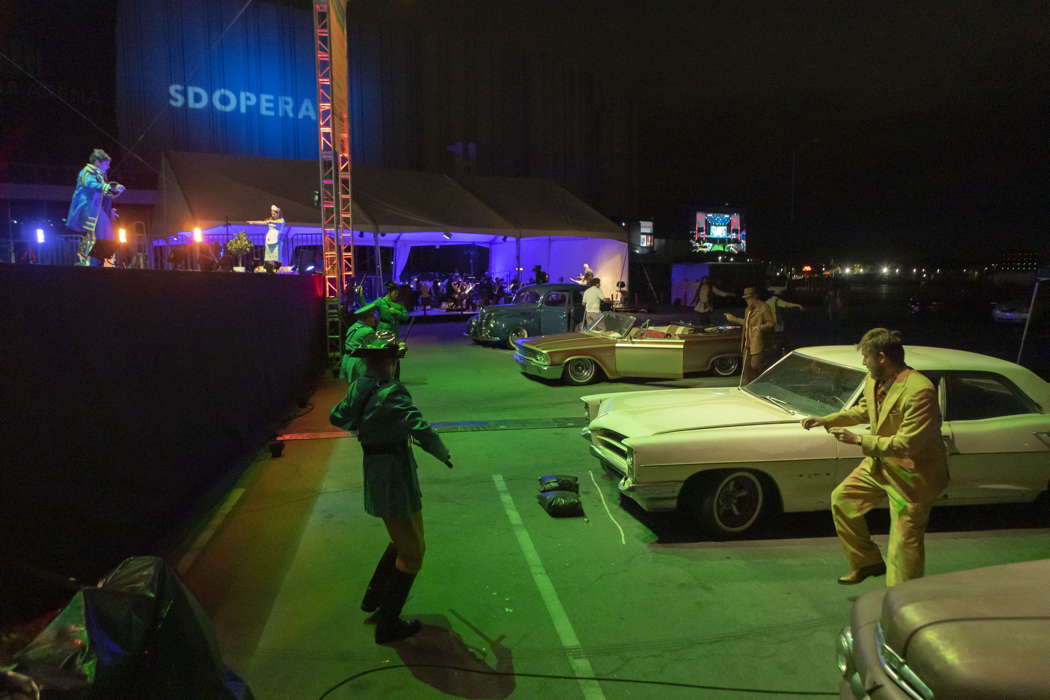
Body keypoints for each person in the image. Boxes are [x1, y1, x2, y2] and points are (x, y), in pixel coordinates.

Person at [329, 338, 453, 644]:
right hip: (393, 473)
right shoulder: (392, 391)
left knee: (409, 540)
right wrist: (441, 451)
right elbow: (418, 426)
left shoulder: (359, 386)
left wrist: (368, 427)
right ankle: (388, 624)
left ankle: (375, 599)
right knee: (412, 554)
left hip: (378, 467)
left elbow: (337, 417)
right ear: (391, 362)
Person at [801, 328, 947, 587]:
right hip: (879, 464)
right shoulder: (874, 380)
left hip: (912, 476)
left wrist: (858, 439)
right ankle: (867, 562)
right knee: (843, 501)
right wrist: (827, 420)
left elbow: (907, 443)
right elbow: (865, 410)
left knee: (903, 543)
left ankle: (902, 602)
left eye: (866, 357)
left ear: (882, 357)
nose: (863, 362)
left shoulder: (919, 391)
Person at [66, 148, 125, 266]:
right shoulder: (86, 172)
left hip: (96, 210)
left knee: (107, 234)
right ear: (98, 162)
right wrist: (108, 187)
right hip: (87, 208)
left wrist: (116, 190)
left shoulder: (100, 176)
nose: (108, 167)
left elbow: (106, 193)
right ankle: (87, 261)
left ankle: (104, 261)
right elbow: (91, 184)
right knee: (93, 235)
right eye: (106, 164)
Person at [724, 287, 776, 384]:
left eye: (749, 298)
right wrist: (733, 319)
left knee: (755, 366)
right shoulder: (748, 309)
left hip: (757, 341)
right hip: (748, 342)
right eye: (746, 299)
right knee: (746, 369)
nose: (747, 301)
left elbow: (771, 323)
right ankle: (750, 386)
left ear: (755, 297)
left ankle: (761, 385)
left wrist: (759, 327)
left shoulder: (764, 307)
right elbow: (747, 323)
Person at [339, 304, 379, 384]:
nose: (375, 319)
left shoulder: (353, 326)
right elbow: (377, 348)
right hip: (357, 362)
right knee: (362, 388)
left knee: (352, 387)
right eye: (372, 317)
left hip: (346, 359)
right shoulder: (368, 330)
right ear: (366, 319)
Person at [247, 204, 284, 273]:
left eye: (274, 214)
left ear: (278, 214)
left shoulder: (281, 220)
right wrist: (253, 222)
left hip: (277, 239)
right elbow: (262, 222)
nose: (273, 215)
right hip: (270, 238)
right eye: (272, 214)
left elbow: (278, 222)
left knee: (276, 255)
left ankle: (276, 268)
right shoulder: (270, 220)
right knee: (269, 255)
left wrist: (270, 221)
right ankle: (269, 268)